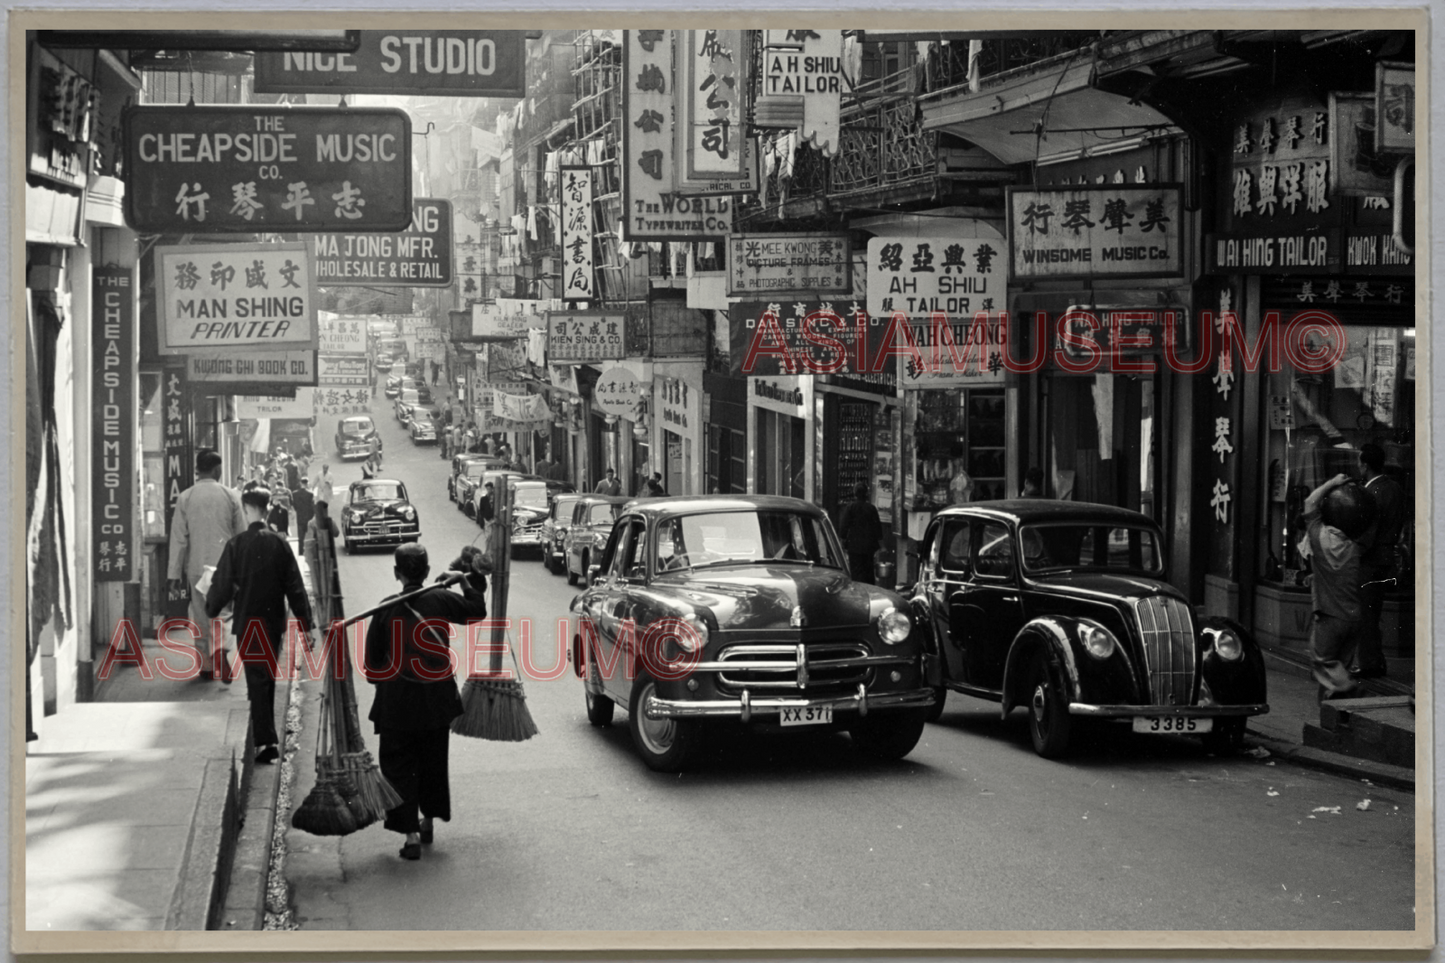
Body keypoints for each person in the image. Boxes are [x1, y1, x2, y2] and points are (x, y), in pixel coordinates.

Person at [363, 543, 490, 861]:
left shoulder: (384, 608)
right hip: (436, 700)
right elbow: (477, 611)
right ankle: (428, 822)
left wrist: (391, 679)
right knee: (432, 762)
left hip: (398, 705)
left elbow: (371, 668)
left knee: (400, 767)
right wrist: (463, 580)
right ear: (429, 571)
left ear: (397, 573)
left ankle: (411, 838)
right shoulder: (442, 599)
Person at [206, 486, 319, 764]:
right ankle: (264, 737)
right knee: (266, 675)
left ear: (246, 509)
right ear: (268, 508)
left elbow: (221, 584)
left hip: (247, 622)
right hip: (273, 623)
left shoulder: (236, 544)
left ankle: (266, 741)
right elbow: (295, 586)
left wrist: (211, 608)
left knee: (257, 678)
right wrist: (306, 625)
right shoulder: (279, 543)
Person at [167, 450, 246, 681]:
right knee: (223, 613)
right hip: (224, 567)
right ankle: (220, 649)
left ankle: (206, 666)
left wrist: (173, 574)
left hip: (196, 566)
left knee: (200, 615)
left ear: (198, 470)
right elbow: (240, 535)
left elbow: (179, 538)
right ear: (216, 469)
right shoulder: (230, 495)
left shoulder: (186, 497)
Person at [1301, 473, 1375, 701]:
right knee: (1339, 667)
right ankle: (1335, 716)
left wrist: (1333, 482)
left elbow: (1310, 502)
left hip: (1330, 616)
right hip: (1353, 617)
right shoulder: (1354, 548)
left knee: (1322, 660)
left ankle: (1348, 686)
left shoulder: (1318, 538)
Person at [1354, 444, 1406, 679]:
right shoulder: (1394, 488)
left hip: (1371, 559)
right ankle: (1375, 660)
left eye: (1359, 463)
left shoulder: (1370, 493)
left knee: (1366, 614)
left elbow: (1368, 533)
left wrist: (1353, 553)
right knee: (1373, 612)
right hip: (1386, 558)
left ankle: (1370, 663)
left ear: (1365, 465)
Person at [837, 482, 883, 584]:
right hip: (868, 546)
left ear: (855, 494)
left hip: (854, 546)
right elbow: (877, 528)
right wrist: (880, 545)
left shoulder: (850, 508)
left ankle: (858, 589)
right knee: (868, 571)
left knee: (856, 572)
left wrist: (842, 541)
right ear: (866, 494)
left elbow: (844, 527)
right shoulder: (871, 508)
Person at [290, 483, 315, 548]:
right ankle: (308, 549)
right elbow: (312, 506)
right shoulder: (310, 494)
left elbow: (293, 506)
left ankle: (301, 550)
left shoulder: (294, 494)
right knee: (309, 536)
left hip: (299, 517)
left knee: (300, 536)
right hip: (308, 517)